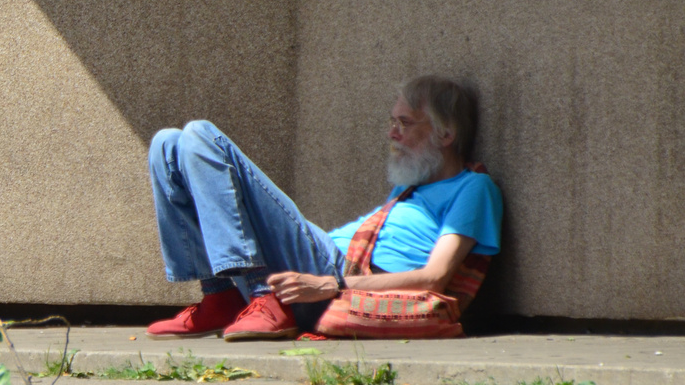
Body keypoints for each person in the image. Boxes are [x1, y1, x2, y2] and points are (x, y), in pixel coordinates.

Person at [145, 76, 503, 341]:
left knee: (201, 134)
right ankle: (219, 294)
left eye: (404, 123)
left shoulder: (474, 188)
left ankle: (261, 296)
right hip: (316, 270)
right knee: (167, 143)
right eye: (391, 122)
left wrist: (331, 284)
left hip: (329, 276)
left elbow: (433, 278)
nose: (392, 133)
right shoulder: (409, 189)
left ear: (446, 135)